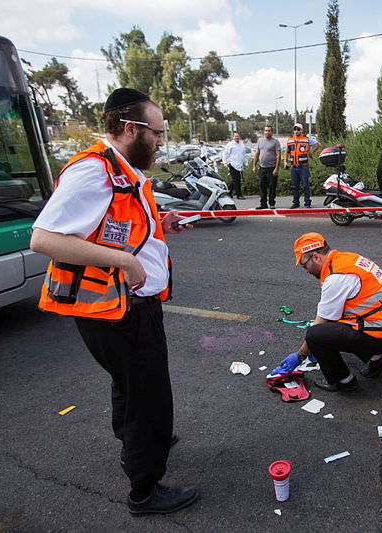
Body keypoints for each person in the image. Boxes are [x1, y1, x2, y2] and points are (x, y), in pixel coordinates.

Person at [30, 88, 198, 516]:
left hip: (126, 306)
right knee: (148, 393)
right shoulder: (94, 171)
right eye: (157, 133)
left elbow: (111, 223)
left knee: (132, 384)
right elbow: (44, 238)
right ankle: (144, 489)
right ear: (130, 129)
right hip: (118, 307)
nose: (162, 142)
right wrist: (121, 260)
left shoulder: (123, 171)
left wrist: (162, 221)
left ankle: (138, 440)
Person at [282, 232, 382, 392]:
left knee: (314, 336)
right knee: (338, 324)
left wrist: (300, 355)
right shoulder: (347, 259)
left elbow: (323, 321)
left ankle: (343, 381)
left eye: (304, 265)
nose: (305, 270)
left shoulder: (336, 277)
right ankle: (376, 360)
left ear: (316, 257)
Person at [283, 123, 320, 208]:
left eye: (298, 129)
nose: (296, 131)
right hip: (294, 166)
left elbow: (317, 144)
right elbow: (287, 152)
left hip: (303, 166)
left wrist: (311, 152)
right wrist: (285, 161)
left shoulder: (306, 139)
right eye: (295, 129)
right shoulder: (290, 140)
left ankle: (307, 202)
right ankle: (296, 203)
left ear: (302, 130)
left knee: (305, 185)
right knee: (294, 186)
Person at [252, 124, 281, 209]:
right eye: (266, 131)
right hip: (262, 167)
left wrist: (276, 168)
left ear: (272, 132)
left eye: (269, 131)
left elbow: (278, 155)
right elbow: (257, 153)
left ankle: (272, 203)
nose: (267, 132)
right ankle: (263, 203)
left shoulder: (275, 142)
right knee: (262, 186)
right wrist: (254, 166)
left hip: (271, 168)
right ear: (264, 132)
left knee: (272, 186)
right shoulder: (260, 141)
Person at [222, 131, 246, 199]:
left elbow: (243, 155)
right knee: (236, 180)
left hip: (240, 165)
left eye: (238, 136)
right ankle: (239, 195)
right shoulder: (230, 144)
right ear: (233, 137)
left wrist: (245, 163)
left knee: (237, 180)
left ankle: (228, 192)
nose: (237, 137)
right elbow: (225, 154)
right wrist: (224, 162)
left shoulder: (242, 145)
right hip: (232, 164)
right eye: (235, 136)